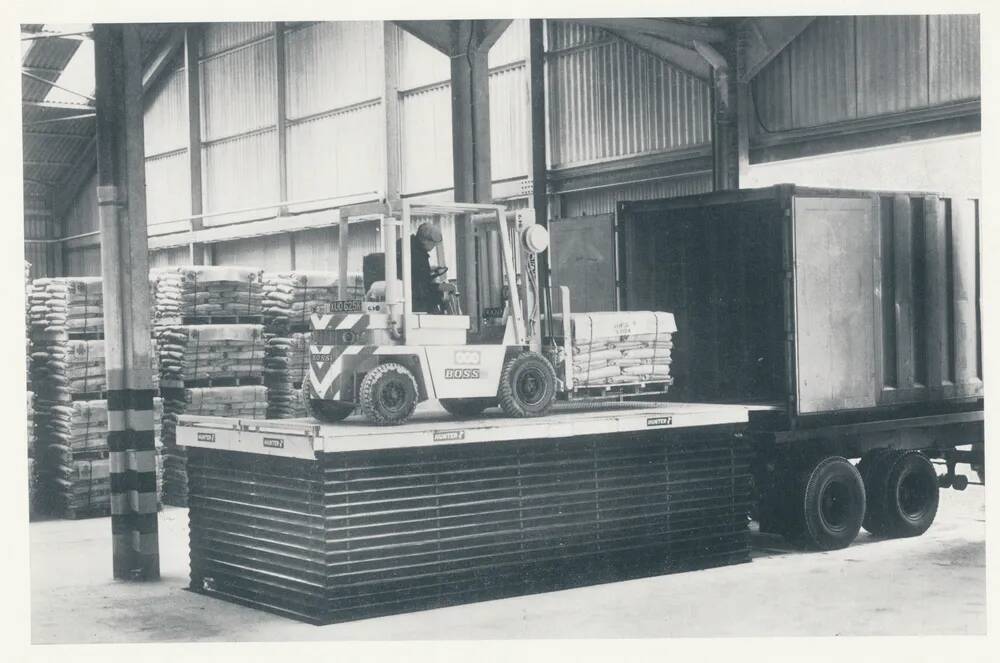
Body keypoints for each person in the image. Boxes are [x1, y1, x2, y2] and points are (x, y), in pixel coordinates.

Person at [396, 222, 454, 314]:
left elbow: (413, 272)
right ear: (425, 241)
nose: (434, 247)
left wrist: (429, 269)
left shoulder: (405, 243)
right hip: (414, 302)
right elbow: (421, 286)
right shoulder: (419, 256)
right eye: (433, 244)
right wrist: (439, 287)